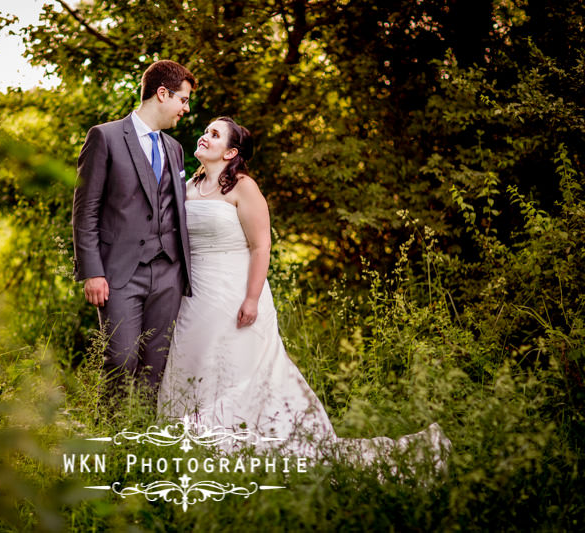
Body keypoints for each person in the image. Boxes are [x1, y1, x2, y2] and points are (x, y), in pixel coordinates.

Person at [157, 117, 451, 469]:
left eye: (214, 135)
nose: (205, 137)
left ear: (231, 152)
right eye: (206, 131)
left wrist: (251, 299)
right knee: (195, 368)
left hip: (236, 295)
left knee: (238, 372)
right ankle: (192, 454)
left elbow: (261, 246)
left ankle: (245, 451)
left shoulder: (243, 187)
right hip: (196, 298)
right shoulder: (188, 186)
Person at [72, 60, 196, 394]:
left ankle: (141, 441)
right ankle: (111, 441)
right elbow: (85, 211)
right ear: (161, 93)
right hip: (119, 273)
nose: (185, 109)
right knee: (120, 360)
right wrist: (92, 272)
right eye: (183, 100)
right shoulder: (105, 137)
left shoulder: (175, 149)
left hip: (169, 273)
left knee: (154, 368)